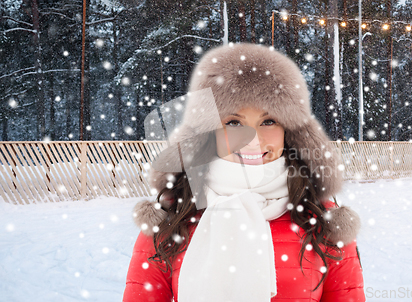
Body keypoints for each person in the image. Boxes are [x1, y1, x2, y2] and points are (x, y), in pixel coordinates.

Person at [123, 43, 365, 301]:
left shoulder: (324, 220)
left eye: (268, 121)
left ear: (290, 132)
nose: (253, 140)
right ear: (209, 133)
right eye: (234, 122)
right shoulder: (170, 217)